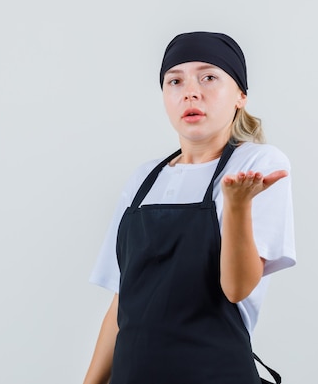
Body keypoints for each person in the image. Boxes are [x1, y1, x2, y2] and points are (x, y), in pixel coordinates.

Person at [83, 31, 296, 384]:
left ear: (240, 96)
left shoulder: (258, 162)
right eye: (175, 81)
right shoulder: (143, 180)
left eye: (209, 77)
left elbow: (237, 288)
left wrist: (238, 205)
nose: (190, 91)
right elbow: (123, 304)